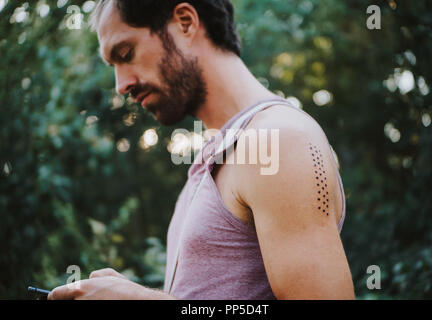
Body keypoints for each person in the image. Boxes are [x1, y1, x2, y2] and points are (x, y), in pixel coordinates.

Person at [48, 0, 354, 300]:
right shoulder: (211, 162)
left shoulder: (279, 141)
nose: (121, 85)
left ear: (185, 22)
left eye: (126, 53)